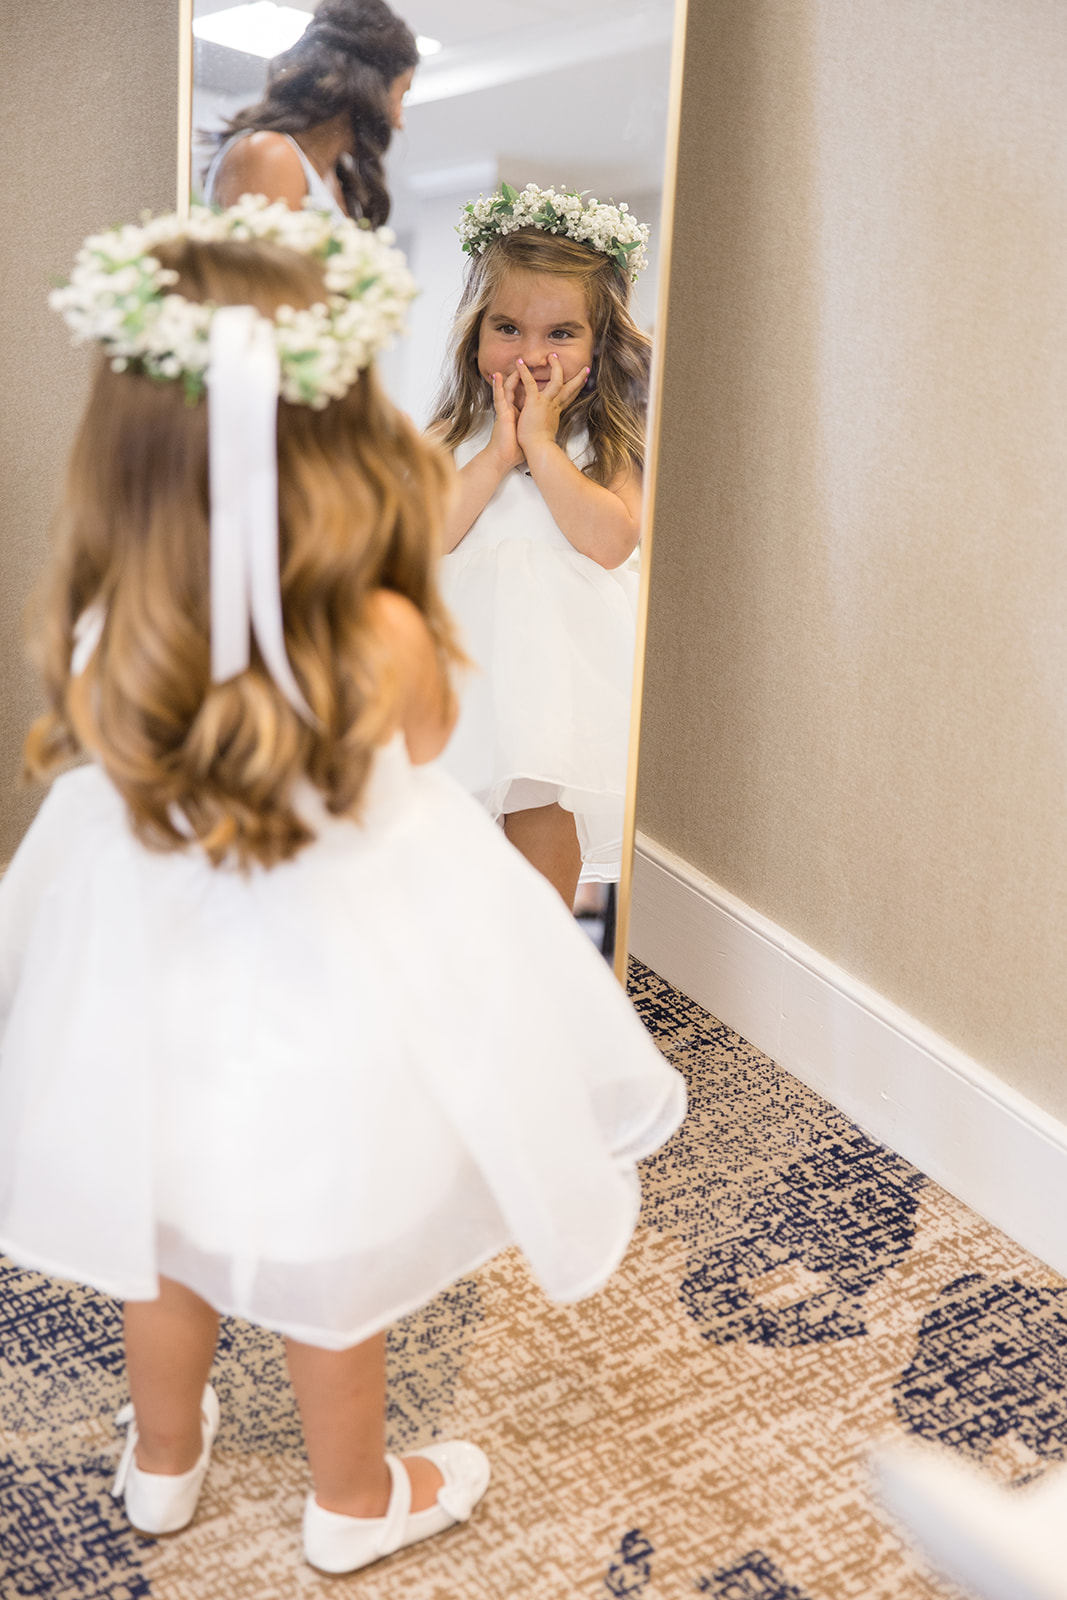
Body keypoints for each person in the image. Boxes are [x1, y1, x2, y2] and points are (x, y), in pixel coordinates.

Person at [0, 200, 685, 1577]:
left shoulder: (108, 625)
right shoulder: (377, 628)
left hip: (162, 994)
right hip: (324, 1001)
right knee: (332, 1244)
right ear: (339, 447)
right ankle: (351, 1496)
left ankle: (164, 1464)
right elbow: (430, 748)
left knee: (169, 1232)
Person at [428, 184, 653, 907]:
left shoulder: (607, 442)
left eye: (560, 333)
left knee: (541, 826)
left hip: (558, 683)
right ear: (474, 335)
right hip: (455, 670)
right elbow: (418, 538)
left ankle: (541, 963)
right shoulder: (446, 440)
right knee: (444, 838)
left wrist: (540, 446)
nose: (530, 354)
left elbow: (610, 542)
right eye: (507, 329)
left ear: (599, 343)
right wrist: (494, 455)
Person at [202, 0, 418, 223]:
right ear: (369, 88)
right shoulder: (269, 154)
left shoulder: (339, 181)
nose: (399, 121)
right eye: (400, 96)